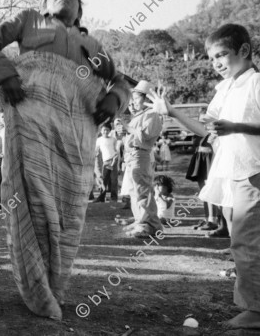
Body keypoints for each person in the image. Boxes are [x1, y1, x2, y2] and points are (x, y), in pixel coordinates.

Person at [0, 0, 130, 319]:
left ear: (80, 10)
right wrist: (7, 75)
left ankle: (55, 287)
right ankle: (36, 288)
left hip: (76, 138)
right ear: (45, 4)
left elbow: (120, 81)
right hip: (31, 121)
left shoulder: (92, 44)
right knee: (31, 197)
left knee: (69, 210)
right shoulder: (30, 20)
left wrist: (113, 99)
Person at [147, 24, 260, 330]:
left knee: (247, 242)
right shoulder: (223, 90)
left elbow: (230, 129)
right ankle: (251, 305)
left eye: (222, 55)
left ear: (244, 51)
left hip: (254, 173)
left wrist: (237, 127)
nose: (216, 63)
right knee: (242, 241)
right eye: (212, 58)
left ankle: (255, 311)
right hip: (233, 174)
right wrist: (171, 112)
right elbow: (206, 133)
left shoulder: (256, 84)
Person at [119, 80, 164, 238]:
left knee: (142, 190)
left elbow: (145, 135)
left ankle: (150, 225)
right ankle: (140, 220)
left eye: (135, 99)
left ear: (146, 99)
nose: (131, 103)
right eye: (130, 100)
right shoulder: (137, 116)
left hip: (140, 155)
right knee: (134, 191)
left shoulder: (152, 114)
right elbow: (131, 135)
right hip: (132, 156)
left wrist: (126, 127)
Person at [94, 123, 119, 203]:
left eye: (107, 130)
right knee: (104, 180)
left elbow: (116, 150)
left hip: (113, 160)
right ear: (101, 131)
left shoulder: (113, 139)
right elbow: (96, 151)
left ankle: (114, 197)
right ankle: (101, 197)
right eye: (104, 130)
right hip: (105, 162)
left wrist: (116, 158)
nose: (105, 131)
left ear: (110, 131)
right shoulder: (99, 140)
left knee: (114, 180)